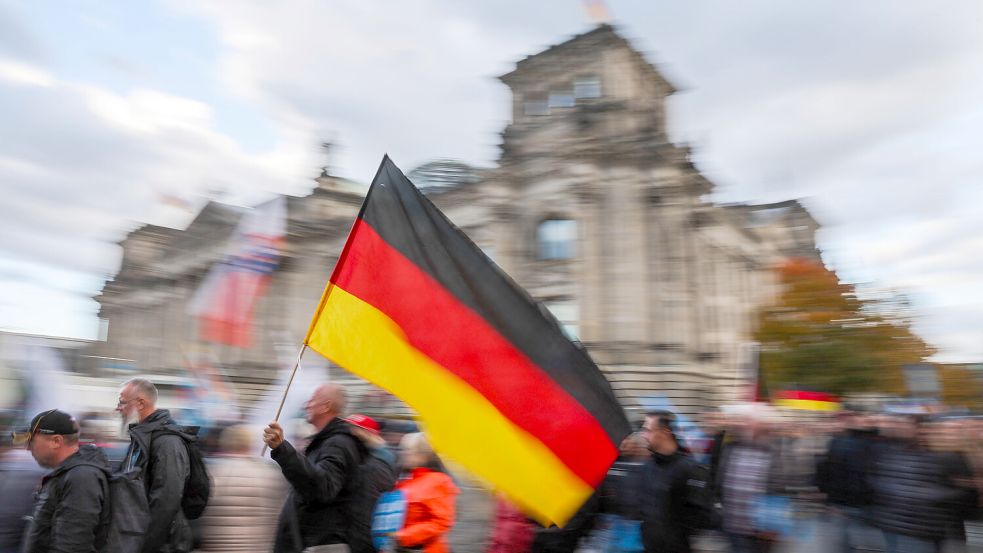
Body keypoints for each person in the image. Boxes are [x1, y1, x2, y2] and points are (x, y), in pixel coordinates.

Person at [263, 384, 366, 553]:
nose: (306, 405)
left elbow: (322, 487)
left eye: (312, 400)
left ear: (326, 406)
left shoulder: (338, 443)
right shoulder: (326, 442)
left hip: (319, 546)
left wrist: (282, 449)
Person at [871, 415, 978, 553]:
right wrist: (959, 490)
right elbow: (910, 491)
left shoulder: (950, 455)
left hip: (939, 528)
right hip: (917, 529)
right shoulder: (904, 453)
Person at [17, 409, 111, 553]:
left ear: (56, 441)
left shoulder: (81, 478)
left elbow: (72, 546)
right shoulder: (68, 474)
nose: (28, 448)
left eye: (32, 441)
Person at [117, 378, 194, 553]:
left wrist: (144, 546)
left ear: (141, 404)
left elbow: (167, 500)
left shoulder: (167, 442)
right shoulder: (142, 438)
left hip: (161, 545)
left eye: (122, 402)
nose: (118, 408)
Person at [197, 425, 288, 553]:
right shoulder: (270, 475)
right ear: (249, 444)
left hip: (220, 548)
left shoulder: (212, 473)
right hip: (258, 548)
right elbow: (279, 517)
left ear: (225, 444)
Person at [635, 411, 715, 553]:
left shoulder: (690, 469)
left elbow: (700, 513)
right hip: (650, 547)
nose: (643, 435)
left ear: (665, 432)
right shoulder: (647, 466)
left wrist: (675, 534)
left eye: (647, 430)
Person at [814, 410, 882, 552]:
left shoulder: (876, 445)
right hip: (851, 505)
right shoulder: (838, 442)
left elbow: (824, 471)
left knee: (847, 543)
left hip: (857, 505)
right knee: (849, 543)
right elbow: (826, 471)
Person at [391, 432, 458, 553]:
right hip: (402, 547)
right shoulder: (407, 477)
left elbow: (441, 522)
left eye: (408, 451)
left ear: (423, 456)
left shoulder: (438, 481)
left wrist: (404, 535)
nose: (403, 454)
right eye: (402, 450)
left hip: (424, 549)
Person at [343, 414, 397, 553]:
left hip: (366, 538)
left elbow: (369, 505)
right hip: (366, 535)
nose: (351, 433)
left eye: (355, 430)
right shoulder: (373, 457)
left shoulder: (376, 463)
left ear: (367, 433)